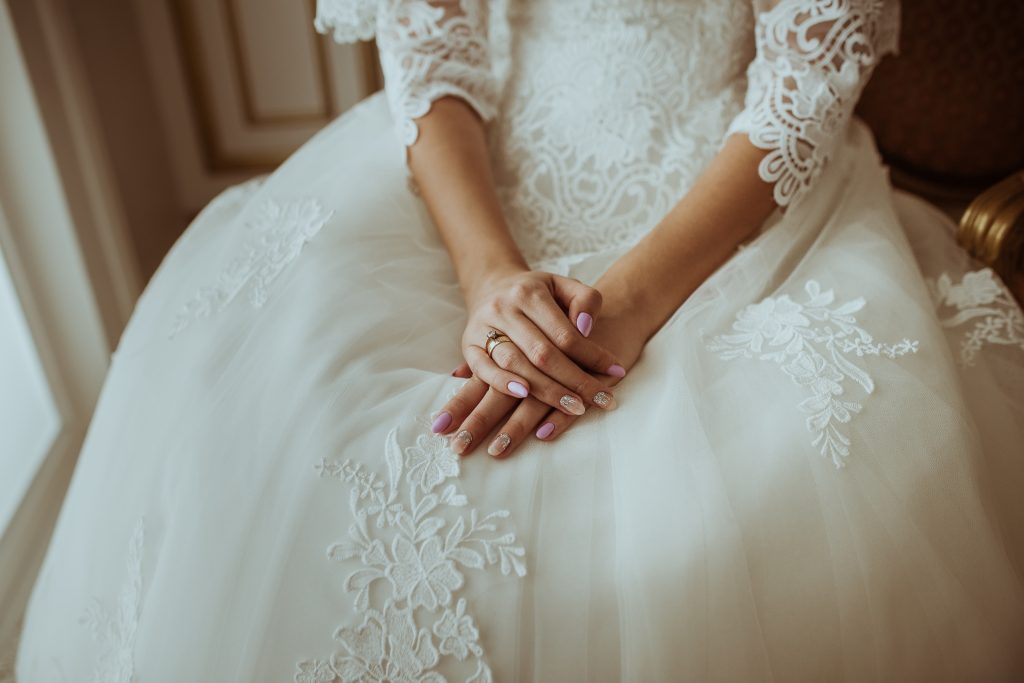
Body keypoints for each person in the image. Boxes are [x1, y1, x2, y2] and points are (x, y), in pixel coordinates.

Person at [16, 0, 1024, 680]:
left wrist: (624, 305)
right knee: (270, 428)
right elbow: (433, 42)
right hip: (475, 175)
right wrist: (488, 275)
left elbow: (803, 76)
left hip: (730, 186)